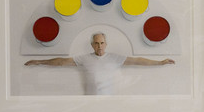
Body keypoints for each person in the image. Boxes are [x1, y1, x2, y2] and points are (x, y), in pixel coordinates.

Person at [25, 32, 174, 95]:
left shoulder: (115, 58)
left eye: (102, 43)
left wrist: (160, 62)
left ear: (106, 43)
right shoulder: (84, 58)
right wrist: (39, 61)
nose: (99, 46)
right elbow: (61, 62)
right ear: (92, 45)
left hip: (109, 103)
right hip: (89, 103)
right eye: (96, 43)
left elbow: (137, 61)